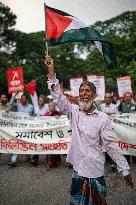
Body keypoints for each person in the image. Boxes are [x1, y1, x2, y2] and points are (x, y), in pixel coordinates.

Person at [45, 55, 133, 205]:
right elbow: (58, 97)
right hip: (78, 168)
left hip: (95, 169)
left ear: (94, 95)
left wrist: (124, 169)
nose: (84, 93)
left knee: (98, 202)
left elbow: (111, 145)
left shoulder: (102, 118)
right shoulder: (73, 111)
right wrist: (51, 70)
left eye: (87, 91)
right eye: (81, 91)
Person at [9, 93, 34, 167]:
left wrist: (32, 115)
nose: (21, 100)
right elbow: (10, 103)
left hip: (28, 128)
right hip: (19, 128)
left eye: (23, 98)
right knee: (16, 143)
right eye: (21, 99)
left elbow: (35, 116)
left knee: (29, 142)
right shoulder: (18, 105)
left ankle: (31, 157)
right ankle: (13, 160)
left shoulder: (31, 107)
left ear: (26, 99)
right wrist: (15, 95)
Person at [45, 101, 62, 168]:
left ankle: (56, 161)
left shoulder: (58, 114)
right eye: (49, 106)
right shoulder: (46, 114)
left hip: (55, 134)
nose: (50, 107)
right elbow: (41, 121)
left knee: (55, 147)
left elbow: (63, 120)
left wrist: (59, 118)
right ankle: (50, 162)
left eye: (52, 106)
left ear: (55, 107)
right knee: (49, 147)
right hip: (48, 133)